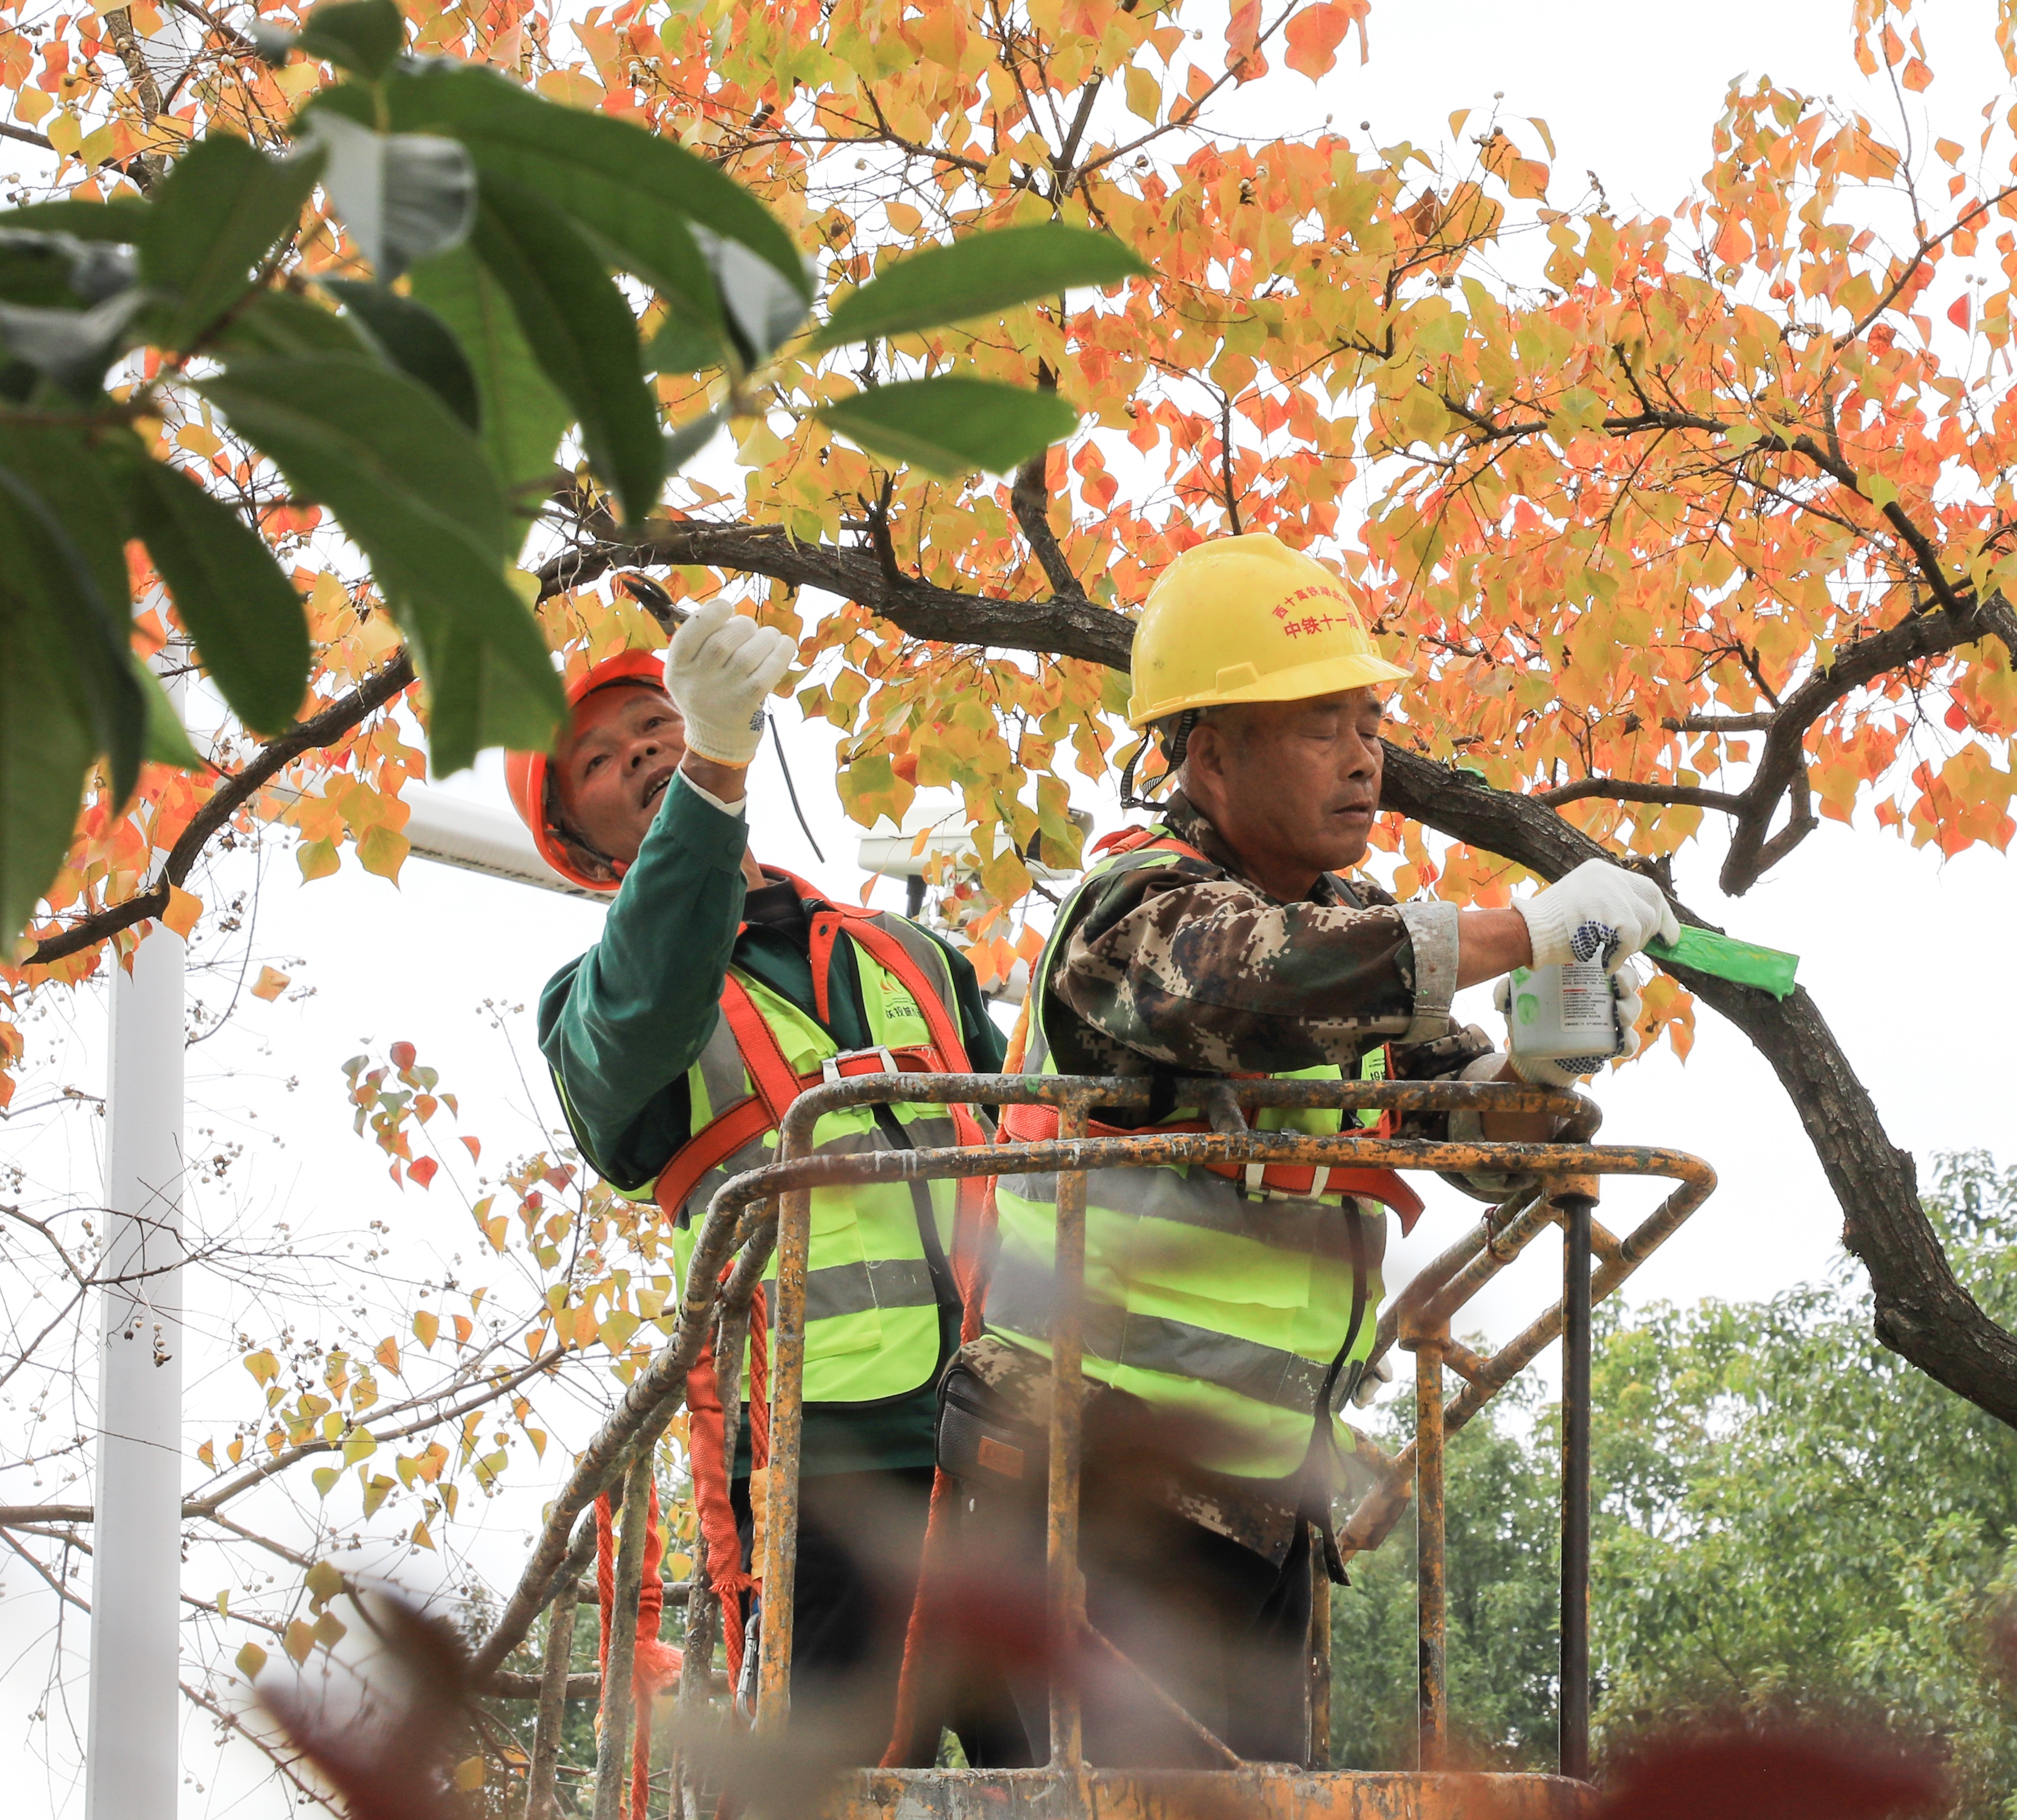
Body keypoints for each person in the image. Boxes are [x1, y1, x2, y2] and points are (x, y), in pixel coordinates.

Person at [938, 532, 1677, 1766]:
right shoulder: (1135, 913)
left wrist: (1548, 1062)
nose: (1364, 753)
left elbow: (1486, 1136)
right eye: (1320, 722)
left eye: (1370, 718)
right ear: (1209, 753)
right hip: (1077, 1481)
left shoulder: (1354, 939)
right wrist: (1516, 926)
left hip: (1251, 1506)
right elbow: (1256, 980)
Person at [515, 601, 1008, 1762]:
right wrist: (712, 776)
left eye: (657, 723)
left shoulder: (910, 953)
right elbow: (641, 1005)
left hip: (1001, 1442)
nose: (640, 747)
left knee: (1062, 1785)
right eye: (599, 756)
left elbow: (1033, 1137)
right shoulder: (597, 1011)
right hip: (815, 1471)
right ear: (586, 852)